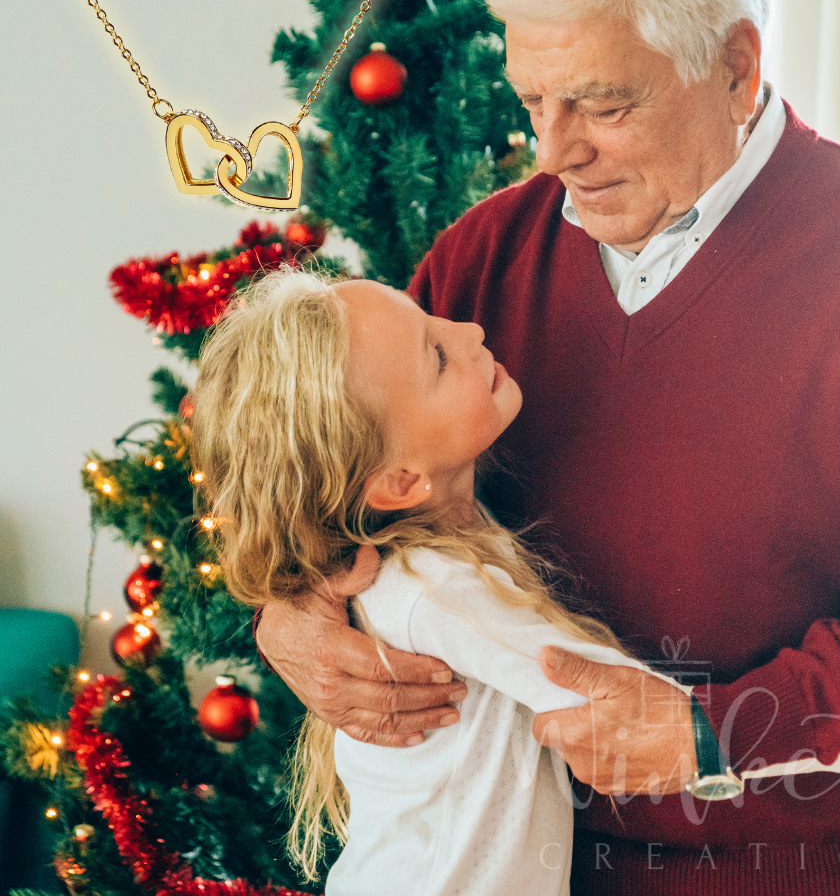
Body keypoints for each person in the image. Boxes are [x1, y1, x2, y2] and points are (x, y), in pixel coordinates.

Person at [256, 0, 840, 892]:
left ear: (736, 64)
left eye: (604, 105)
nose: (557, 150)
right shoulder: (481, 264)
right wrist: (292, 610)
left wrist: (706, 733)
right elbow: (344, 470)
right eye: (533, 102)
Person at [192, 270, 697, 895]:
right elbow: (610, 699)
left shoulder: (437, 544)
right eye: (436, 355)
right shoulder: (436, 588)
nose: (472, 329)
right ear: (401, 482)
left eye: (432, 319)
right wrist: (733, 731)